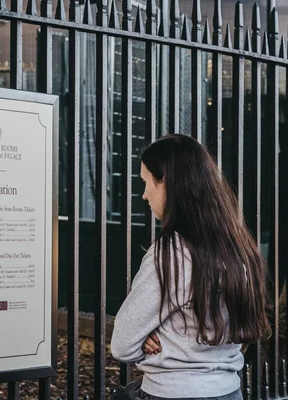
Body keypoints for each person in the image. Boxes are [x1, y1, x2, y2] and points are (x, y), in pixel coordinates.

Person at [110, 134, 271, 400]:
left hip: (173, 392)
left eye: (146, 182)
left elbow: (123, 344)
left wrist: (151, 338)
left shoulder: (171, 254)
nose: (144, 194)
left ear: (166, 183)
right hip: (229, 391)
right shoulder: (237, 247)